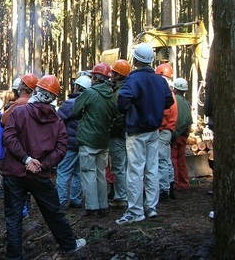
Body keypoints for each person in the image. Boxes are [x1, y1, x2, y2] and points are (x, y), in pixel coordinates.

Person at [2, 75, 86, 258]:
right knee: (54, 212)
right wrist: (42, 165)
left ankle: (14, 256)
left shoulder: (19, 112)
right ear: (54, 98)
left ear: (36, 91)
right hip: (40, 175)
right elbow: (61, 147)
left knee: (14, 218)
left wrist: (26, 160)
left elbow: (8, 137)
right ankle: (69, 245)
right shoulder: (56, 121)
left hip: (15, 173)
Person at [115, 43, 174, 225]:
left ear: (136, 60)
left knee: (135, 171)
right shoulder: (160, 80)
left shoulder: (133, 80)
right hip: (153, 131)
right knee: (151, 169)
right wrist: (154, 110)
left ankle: (135, 211)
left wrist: (128, 111)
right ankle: (151, 207)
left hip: (137, 131)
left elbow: (123, 99)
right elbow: (168, 101)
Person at [73, 62, 116, 216]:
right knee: (101, 174)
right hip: (103, 140)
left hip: (88, 140)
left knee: (88, 173)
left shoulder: (90, 94)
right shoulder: (112, 96)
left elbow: (76, 110)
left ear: (96, 79)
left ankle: (92, 207)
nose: (90, 79)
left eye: (92, 76)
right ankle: (103, 205)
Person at [56, 75, 91, 210]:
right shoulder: (90, 101)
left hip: (70, 144)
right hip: (83, 143)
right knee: (79, 173)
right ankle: (75, 199)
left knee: (63, 172)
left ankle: (61, 200)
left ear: (77, 87)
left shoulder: (70, 103)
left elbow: (58, 120)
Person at [108, 59, 131, 209]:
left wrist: (112, 131)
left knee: (118, 167)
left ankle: (121, 197)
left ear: (117, 75)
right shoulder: (129, 88)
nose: (111, 75)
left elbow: (118, 116)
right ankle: (128, 195)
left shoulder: (118, 93)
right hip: (129, 133)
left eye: (113, 73)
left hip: (119, 134)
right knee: (129, 166)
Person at [155, 63, 178, 201]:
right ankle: (170, 185)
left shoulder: (167, 96)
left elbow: (164, 113)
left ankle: (164, 190)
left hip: (163, 130)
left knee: (161, 160)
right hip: (167, 130)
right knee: (166, 160)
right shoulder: (171, 95)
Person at [171, 78, 193, 190]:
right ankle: (185, 183)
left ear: (175, 89)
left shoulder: (173, 100)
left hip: (174, 134)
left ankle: (176, 183)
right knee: (181, 159)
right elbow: (189, 120)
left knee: (173, 158)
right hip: (184, 134)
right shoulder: (187, 103)